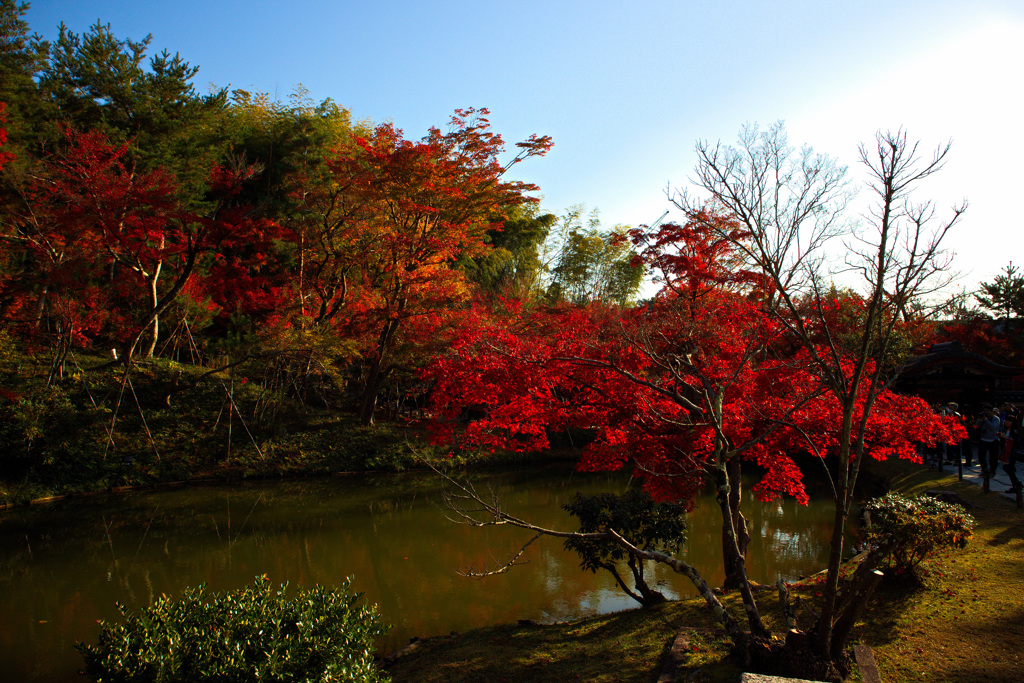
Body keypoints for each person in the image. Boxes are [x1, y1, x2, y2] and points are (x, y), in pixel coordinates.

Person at [976, 407, 1003, 477]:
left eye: (987, 411)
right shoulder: (982, 418)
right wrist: (979, 419)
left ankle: (992, 471)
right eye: (985, 411)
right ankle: (984, 470)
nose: (986, 412)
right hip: (983, 439)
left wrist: (986, 419)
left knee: (993, 457)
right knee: (981, 456)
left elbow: (993, 427)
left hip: (993, 440)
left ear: (992, 411)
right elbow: (975, 426)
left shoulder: (996, 419)